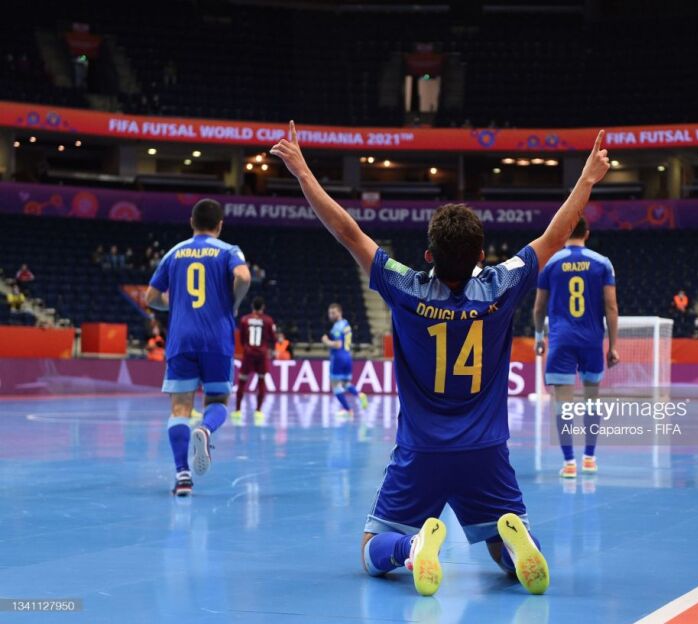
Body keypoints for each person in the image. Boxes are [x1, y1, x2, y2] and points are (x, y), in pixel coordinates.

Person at [271, 121, 609, 596]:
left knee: (370, 550)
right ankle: (520, 549)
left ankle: (409, 550)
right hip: (486, 450)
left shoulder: (405, 287)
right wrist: (588, 178)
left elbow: (348, 232)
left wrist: (303, 172)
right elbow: (555, 236)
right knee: (499, 541)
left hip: (421, 451)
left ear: (428, 255)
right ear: (481, 256)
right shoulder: (501, 285)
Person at [144, 199, 251, 497]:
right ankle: (205, 429)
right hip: (216, 337)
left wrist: (176, 304)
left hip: (181, 339)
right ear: (220, 225)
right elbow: (243, 277)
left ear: (192, 222)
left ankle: (183, 476)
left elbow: (150, 297)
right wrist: (233, 302)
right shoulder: (228, 250)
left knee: (180, 408)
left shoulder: (174, 252)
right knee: (217, 400)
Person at [532, 218, 619, 479]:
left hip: (562, 341)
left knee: (563, 405)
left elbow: (539, 307)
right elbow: (611, 307)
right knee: (592, 400)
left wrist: (539, 336)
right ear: (587, 234)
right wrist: (613, 346)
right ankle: (589, 459)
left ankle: (569, 462)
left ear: (566, 232)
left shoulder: (550, 263)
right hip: (591, 340)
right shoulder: (602, 263)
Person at [234, 296, 277, 425]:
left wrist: (247, 348)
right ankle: (258, 411)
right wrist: (270, 350)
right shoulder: (268, 320)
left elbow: (241, 338)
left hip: (248, 353)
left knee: (242, 381)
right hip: (262, 354)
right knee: (261, 381)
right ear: (263, 307)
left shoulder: (245, 319)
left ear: (252, 306)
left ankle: (237, 410)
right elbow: (273, 338)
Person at [322, 302, 368, 416]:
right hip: (347, 357)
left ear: (339, 312)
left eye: (333, 313)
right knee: (345, 384)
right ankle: (359, 394)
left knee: (335, 386)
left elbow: (338, 344)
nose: (331, 315)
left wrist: (326, 341)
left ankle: (348, 410)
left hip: (338, 358)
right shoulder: (346, 324)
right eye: (330, 313)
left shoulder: (337, 326)